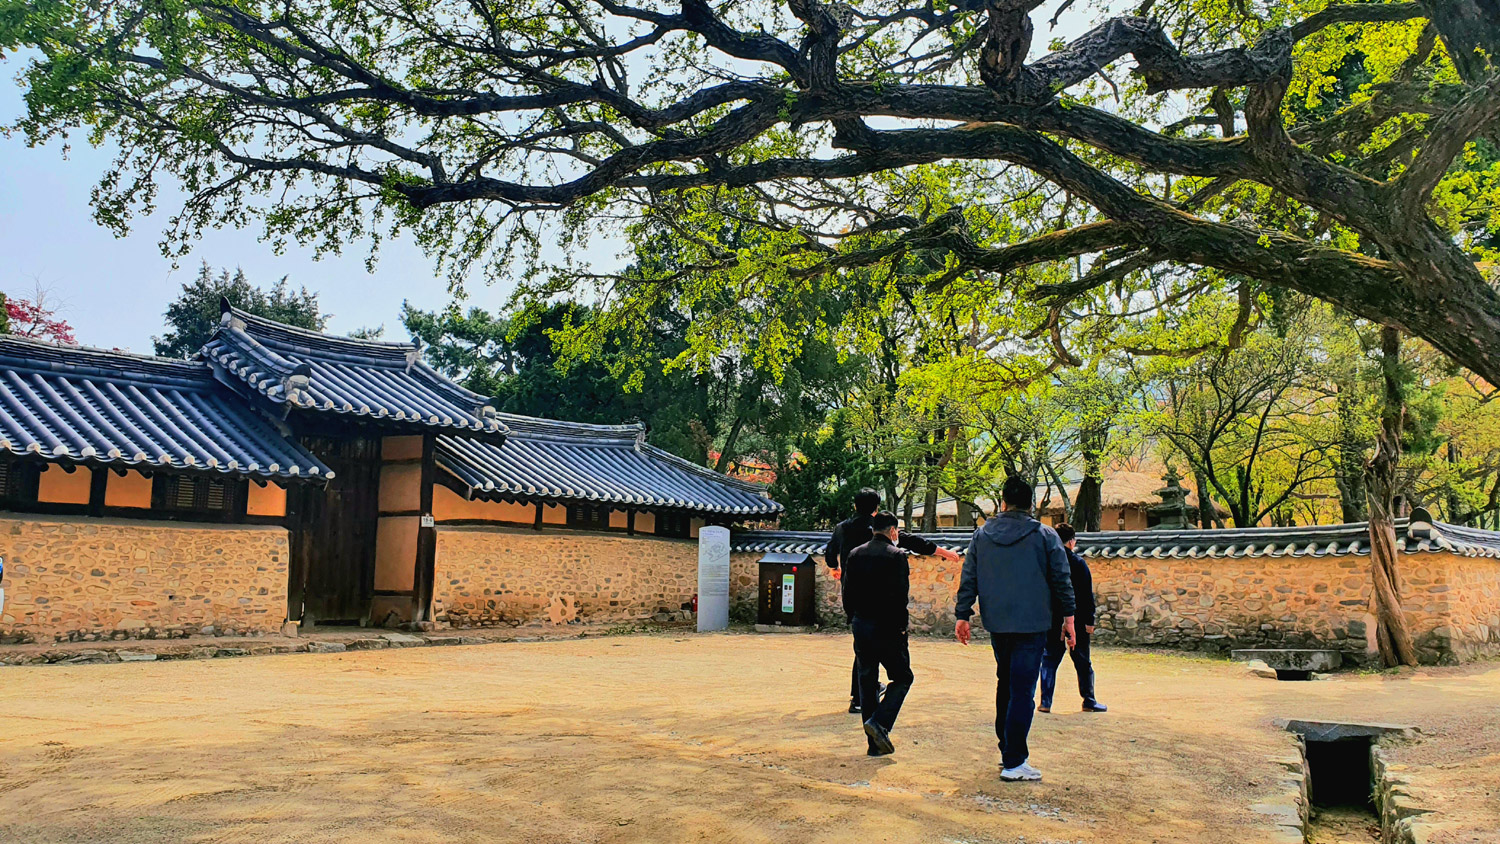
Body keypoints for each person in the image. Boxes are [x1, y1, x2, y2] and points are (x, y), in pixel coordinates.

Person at [954, 475, 1075, 783]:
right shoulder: (1045, 536)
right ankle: (1015, 760)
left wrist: (963, 614)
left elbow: (970, 576)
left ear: (1003, 502)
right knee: (1023, 689)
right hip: (1033, 623)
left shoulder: (981, 536)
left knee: (1005, 683)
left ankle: (1006, 748)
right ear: (1030, 504)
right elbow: (1061, 579)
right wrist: (1069, 618)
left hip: (998, 621)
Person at [826, 488, 960, 713]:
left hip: (855, 594)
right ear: (877, 507)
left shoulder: (842, 528)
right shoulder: (879, 528)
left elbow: (831, 552)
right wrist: (943, 552)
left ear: (855, 505)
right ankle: (863, 699)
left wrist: (835, 568)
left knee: (863, 650)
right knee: (882, 656)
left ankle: (860, 698)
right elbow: (909, 541)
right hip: (882, 596)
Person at [843, 511, 917, 756]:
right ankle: (881, 722)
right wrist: (902, 627)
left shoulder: (855, 554)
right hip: (888, 626)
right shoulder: (897, 556)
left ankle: (873, 744)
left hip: (862, 624)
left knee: (867, 681)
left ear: (872, 529)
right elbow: (900, 596)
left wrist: (853, 618)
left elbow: (847, 593)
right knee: (902, 677)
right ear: (893, 531)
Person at [1037, 523, 1106, 714]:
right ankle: (1089, 699)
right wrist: (1089, 621)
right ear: (1072, 542)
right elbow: (1086, 595)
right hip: (1077, 617)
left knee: (1049, 659)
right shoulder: (1077, 563)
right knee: (1082, 661)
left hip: (1051, 618)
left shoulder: (1046, 562)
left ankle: (1045, 702)